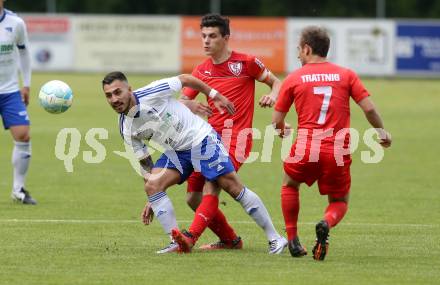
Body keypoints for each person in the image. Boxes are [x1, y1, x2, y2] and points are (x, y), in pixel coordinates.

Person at [102, 72, 287, 255]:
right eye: (109, 95)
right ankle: (175, 242)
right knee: (152, 185)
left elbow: (185, 79)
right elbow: (144, 162)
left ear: (129, 90)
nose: (114, 99)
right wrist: (153, 197)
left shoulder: (151, 92)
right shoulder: (125, 127)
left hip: (200, 138)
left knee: (232, 186)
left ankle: (275, 238)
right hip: (177, 152)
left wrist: (215, 95)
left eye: (118, 92)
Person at [272, 26, 392, 261]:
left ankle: (294, 240)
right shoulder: (346, 74)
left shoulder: (294, 78)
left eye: (298, 49)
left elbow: (277, 120)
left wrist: (281, 130)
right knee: (339, 200)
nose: (297, 55)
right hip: (337, 150)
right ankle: (326, 223)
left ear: (307, 49)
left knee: (289, 184)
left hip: (306, 148)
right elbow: (368, 108)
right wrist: (382, 132)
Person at [178, 13, 283, 251]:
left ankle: (189, 238)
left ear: (226, 38)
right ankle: (230, 240)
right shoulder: (201, 70)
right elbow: (181, 102)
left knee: (212, 185)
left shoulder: (246, 63)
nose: (206, 41)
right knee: (193, 198)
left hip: (237, 138)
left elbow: (277, 83)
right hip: (207, 139)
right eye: (203, 36)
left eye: (212, 36)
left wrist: (272, 96)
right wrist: (191, 105)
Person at [0, 1, 36, 204]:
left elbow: (24, 52)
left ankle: (18, 189)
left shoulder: (16, 23)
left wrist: (27, 85)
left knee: (23, 136)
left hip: (10, 91)